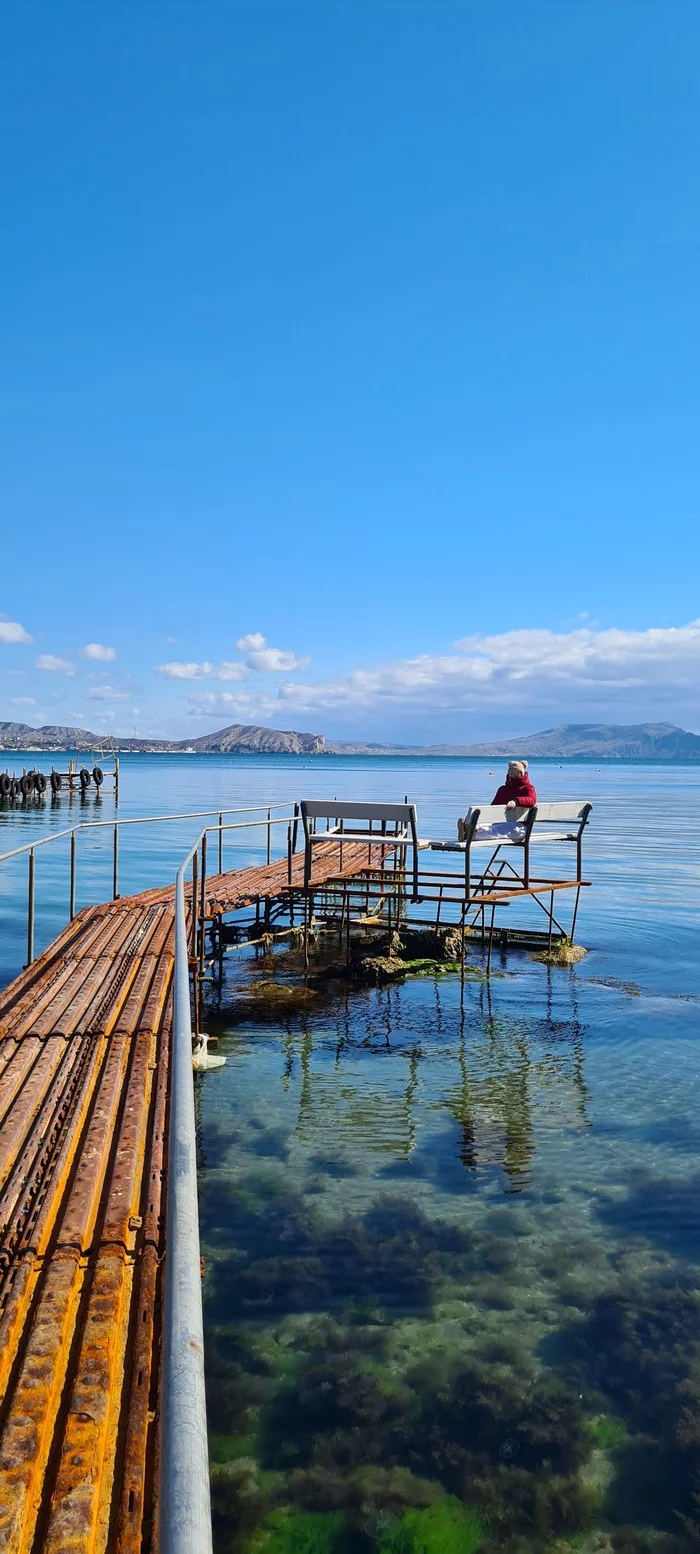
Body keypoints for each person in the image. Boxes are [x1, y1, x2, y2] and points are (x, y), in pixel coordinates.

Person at [457, 760, 537, 841]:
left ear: (522, 773)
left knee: (497, 830)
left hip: (521, 827)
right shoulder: (503, 790)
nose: (514, 775)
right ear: (508, 774)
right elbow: (493, 808)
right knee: (489, 826)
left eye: (517, 773)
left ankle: (469, 834)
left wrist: (515, 801)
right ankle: (471, 828)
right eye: (511, 773)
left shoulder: (528, 788)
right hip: (502, 822)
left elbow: (532, 800)